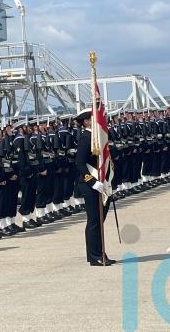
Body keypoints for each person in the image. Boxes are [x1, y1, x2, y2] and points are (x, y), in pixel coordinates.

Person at [75, 109, 115, 267]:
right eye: (93, 118)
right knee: (94, 221)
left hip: (101, 183)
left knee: (100, 220)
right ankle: (94, 256)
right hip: (89, 184)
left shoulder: (99, 137)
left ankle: (101, 253)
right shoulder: (86, 138)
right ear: (85, 121)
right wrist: (92, 181)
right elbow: (79, 163)